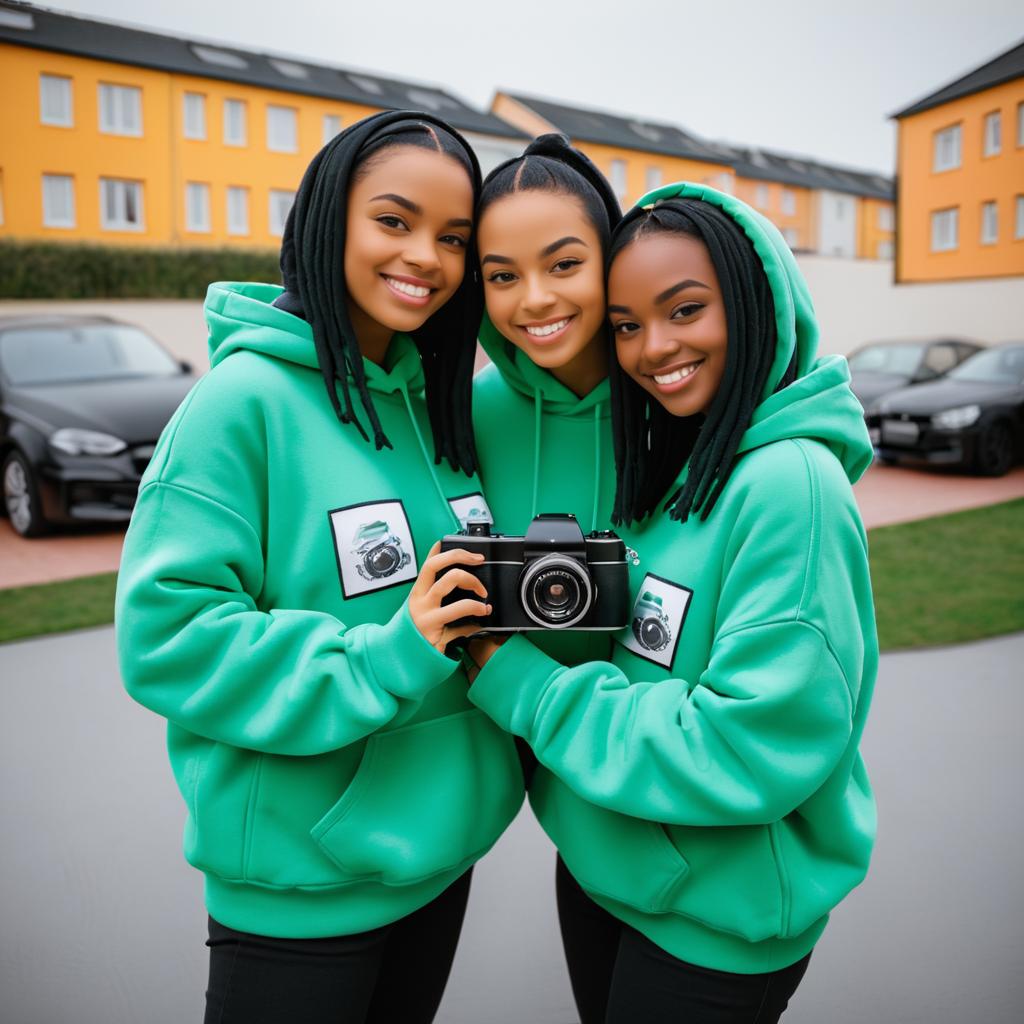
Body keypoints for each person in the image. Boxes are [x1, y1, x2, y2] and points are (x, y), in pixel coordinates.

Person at [115, 110, 524, 1024]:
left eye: (453, 238)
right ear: (328, 217)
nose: (425, 256)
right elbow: (166, 637)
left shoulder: (440, 409)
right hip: (297, 889)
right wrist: (387, 656)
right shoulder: (240, 403)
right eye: (394, 220)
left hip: (436, 863)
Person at [467, 182, 878, 1023]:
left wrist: (523, 682)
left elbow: (746, 749)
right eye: (626, 325)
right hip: (609, 873)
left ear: (757, 303)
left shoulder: (791, 485)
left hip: (714, 923)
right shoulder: (682, 463)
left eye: (685, 310)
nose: (654, 348)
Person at [472, 133, 621, 669]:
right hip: (501, 737)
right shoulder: (465, 416)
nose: (534, 299)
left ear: (611, 258)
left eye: (564, 265)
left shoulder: (672, 409)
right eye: (504, 276)